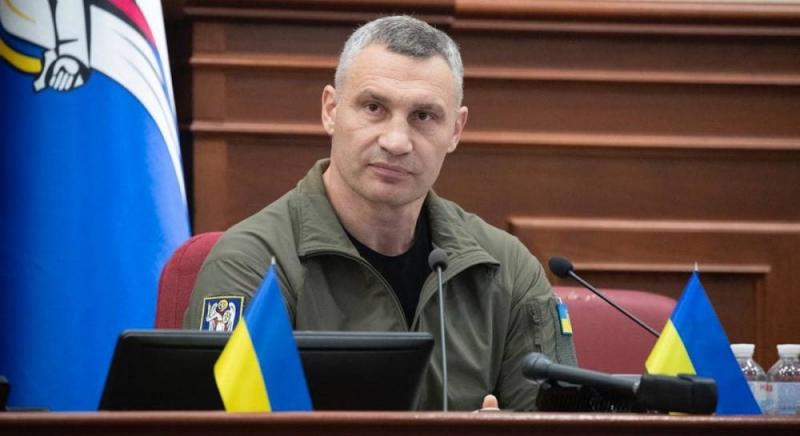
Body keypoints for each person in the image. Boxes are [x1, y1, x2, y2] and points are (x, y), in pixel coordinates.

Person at [184, 15, 576, 411]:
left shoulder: (509, 270)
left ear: (456, 130)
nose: (396, 141)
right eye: (374, 107)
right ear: (331, 110)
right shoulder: (252, 265)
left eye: (423, 116)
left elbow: (558, 422)